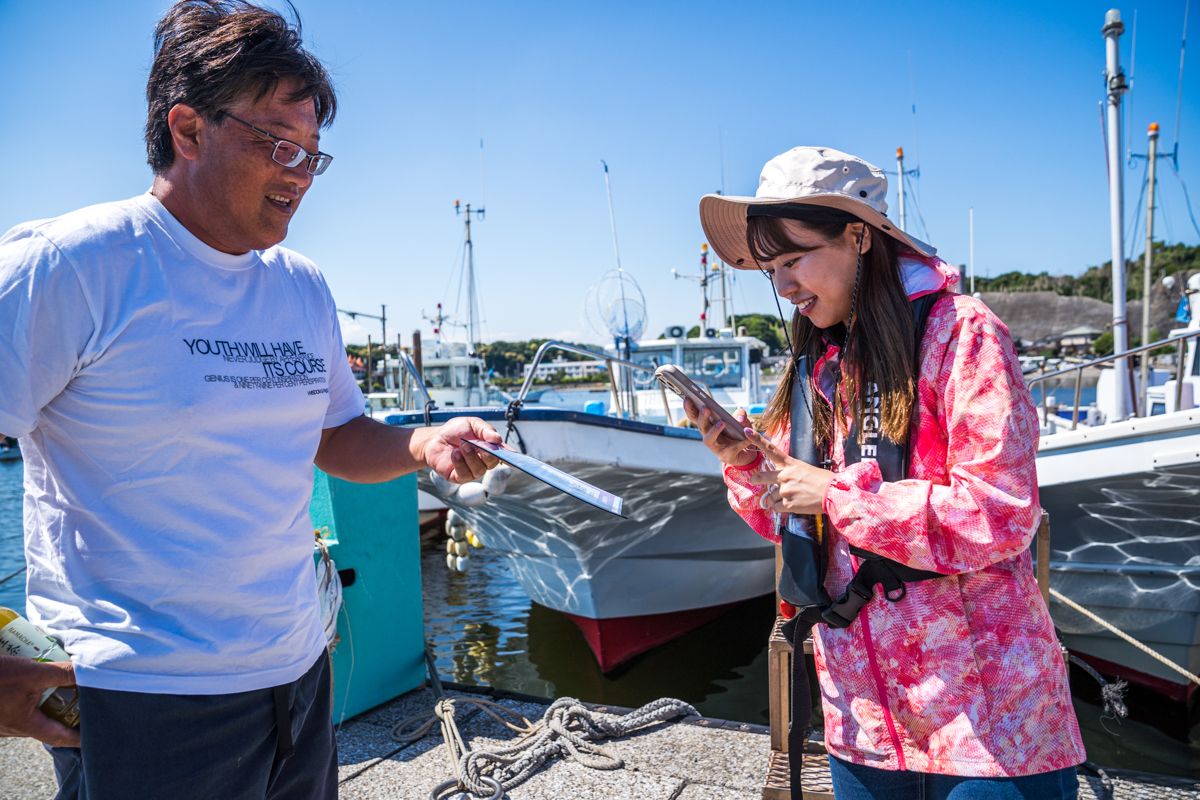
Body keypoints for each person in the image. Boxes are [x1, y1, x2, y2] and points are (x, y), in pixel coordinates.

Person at [0, 2, 502, 798]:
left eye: (311, 153)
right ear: (188, 130)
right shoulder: (70, 265)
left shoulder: (301, 286)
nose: (299, 173)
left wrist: (420, 445)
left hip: (298, 675)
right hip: (142, 697)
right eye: (276, 144)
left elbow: (336, 434)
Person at [688, 146, 1085, 799]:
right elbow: (786, 517)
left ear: (858, 236)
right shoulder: (818, 361)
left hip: (988, 722)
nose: (783, 287)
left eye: (792, 261)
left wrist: (839, 497)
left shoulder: (964, 333)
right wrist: (745, 463)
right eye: (768, 271)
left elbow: (1002, 512)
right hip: (862, 716)